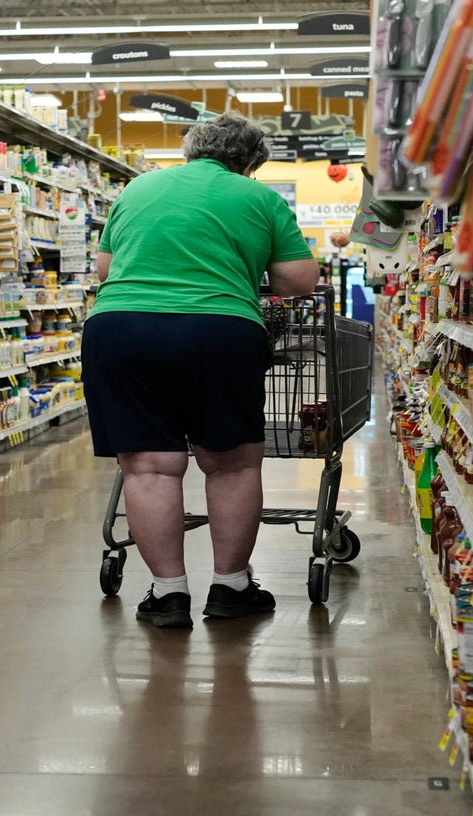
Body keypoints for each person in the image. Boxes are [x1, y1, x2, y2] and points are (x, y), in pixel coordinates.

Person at [84, 111, 320, 629]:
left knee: (147, 466)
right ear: (251, 162)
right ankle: (231, 588)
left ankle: (168, 595)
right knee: (231, 464)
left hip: (121, 329)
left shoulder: (138, 189)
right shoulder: (257, 198)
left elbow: (105, 269)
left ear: (190, 150)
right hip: (218, 331)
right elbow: (300, 281)